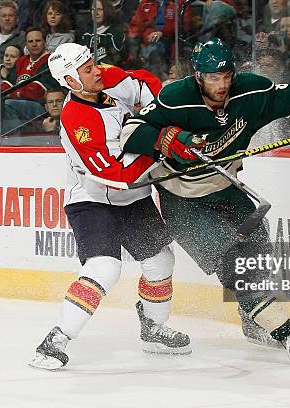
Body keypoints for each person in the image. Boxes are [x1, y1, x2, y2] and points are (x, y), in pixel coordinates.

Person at [120, 38, 290, 362]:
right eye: (213, 78)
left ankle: (252, 319)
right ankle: (285, 331)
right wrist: (165, 139)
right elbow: (130, 129)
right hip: (182, 200)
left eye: (226, 76)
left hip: (226, 186)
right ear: (197, 75)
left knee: (259, 248)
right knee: (235, 262)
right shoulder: (175, 99)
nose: (221, 85)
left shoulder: (251, 91)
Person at [30, 43, 190, 370]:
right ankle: (55, 341)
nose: (97, 71)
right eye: (87, 70)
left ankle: (153, 328)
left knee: (161, 262)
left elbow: (145, 87)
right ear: (71, 82)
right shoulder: (76, 120)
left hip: (134, 199)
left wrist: (168, 122)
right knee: (105, 267)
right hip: (93, 201)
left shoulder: (109, 79)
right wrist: (161, 146)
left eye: (93, 63)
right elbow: (114, 174)